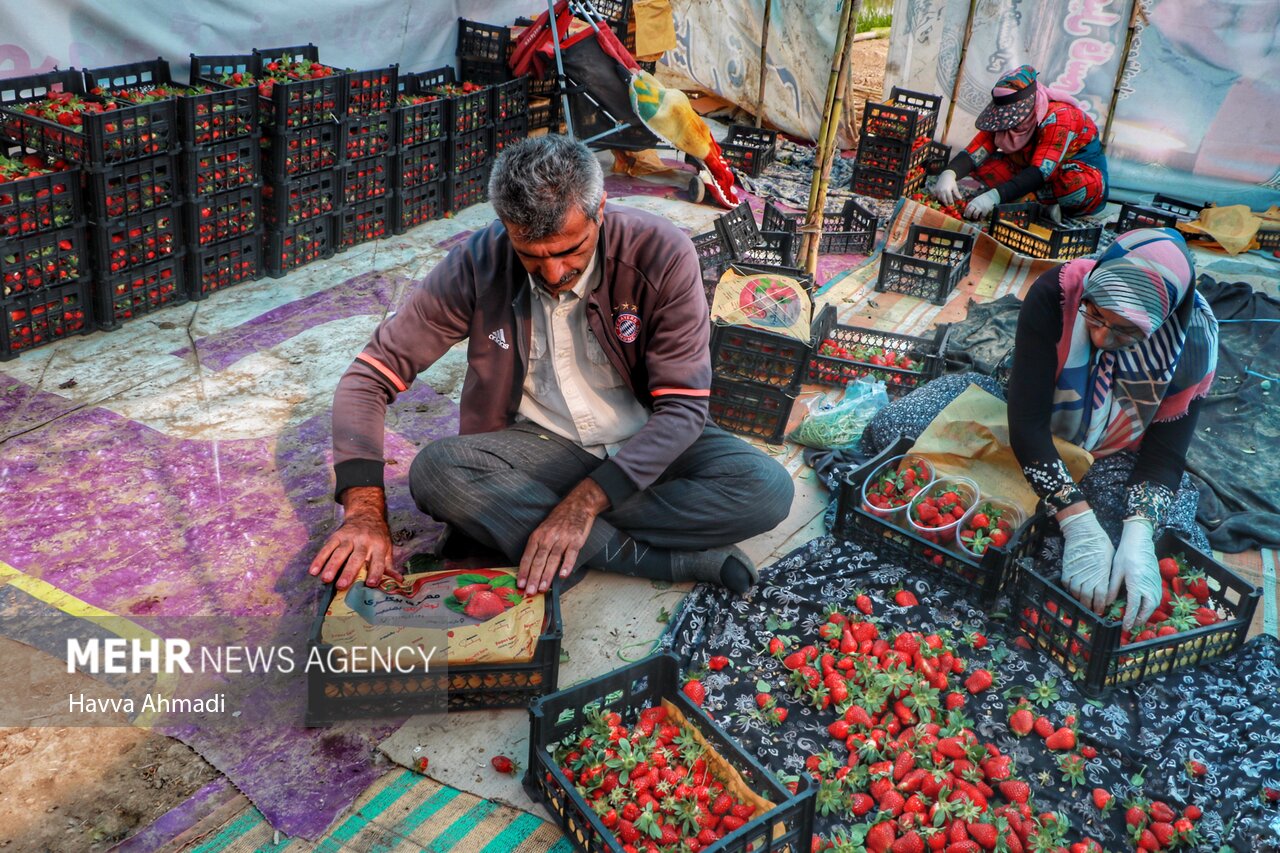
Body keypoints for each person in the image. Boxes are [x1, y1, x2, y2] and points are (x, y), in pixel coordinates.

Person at [309, 135, 793, 596]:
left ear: (599, 211)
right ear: (505, 227)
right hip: (544, 448)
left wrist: (582, 506)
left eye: (569, 251)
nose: (554, 274)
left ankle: (538, 532)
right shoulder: (477, 263)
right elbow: (367, 378)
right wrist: (364, 511)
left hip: (649, 439)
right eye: (531, 257)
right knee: (437, 473)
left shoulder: (661, 252)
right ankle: (661, 560)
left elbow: (684, 411)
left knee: (765, 489)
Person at [861, 229, 1217, 629]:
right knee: (896, 424)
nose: (1101, 336)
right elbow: (1026, 422)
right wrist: (1076, 520)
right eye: (1096, 315)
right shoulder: (1059, 293)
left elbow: (1164, 455)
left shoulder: (1194, 345)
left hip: (1114, 457)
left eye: (1126, 331)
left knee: (1150, 560)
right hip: (1028, 427)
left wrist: (1139, 530)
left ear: (1161, 320)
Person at [932, 65, 1109, 222]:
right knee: (984, 165)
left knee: (1079, 184)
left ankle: (1043, 203)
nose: (1008, 119)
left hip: (1066, 173)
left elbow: (1041, 171)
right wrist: (950, 173)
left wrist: (993, 197)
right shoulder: (1004, 118)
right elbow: (978, 149)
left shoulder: (1061, 117)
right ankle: (1030, 202)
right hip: (1028, 170)